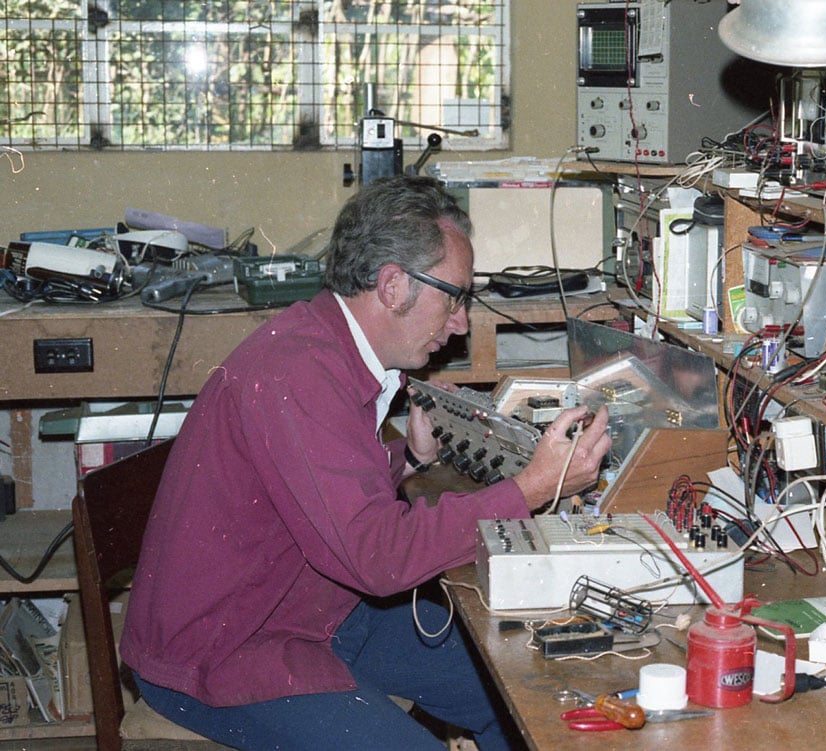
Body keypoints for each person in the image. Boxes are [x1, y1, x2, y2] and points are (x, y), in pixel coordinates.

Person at [120, 175, 612, 750]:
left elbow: (315, 488)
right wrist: (530, 488)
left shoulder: (328, 345)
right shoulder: (299, 371)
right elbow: (377, 558)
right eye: (454, 297)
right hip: (225, 649)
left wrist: (407, 459)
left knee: (527, 688)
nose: (460, 322)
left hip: (310, 605)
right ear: (393, 285)